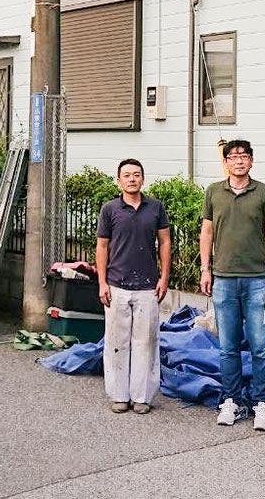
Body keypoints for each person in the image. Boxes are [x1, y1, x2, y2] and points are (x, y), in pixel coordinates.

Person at [199, 139, 265, 432]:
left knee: (261, 346)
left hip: (258, 280)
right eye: (233, 157)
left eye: (244, 156)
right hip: (222, 279)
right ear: (225, 162)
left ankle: (262, 405)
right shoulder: (213, 192)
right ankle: (231, 400)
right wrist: (205, 269)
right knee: (228, 347)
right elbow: (206, 232)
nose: (239, 161)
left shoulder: (263, 192)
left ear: (251, 161)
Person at [96, 158, 171, 414]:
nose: (131, 179)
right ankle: (119, 395)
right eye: (126, 175)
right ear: (119, 181)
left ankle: (142, 397)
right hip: (116, 284)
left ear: (143, 179)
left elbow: (164, 243)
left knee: (146, 342)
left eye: (136, 175)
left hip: (148, 285)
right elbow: (102, 246)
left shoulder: (156, 208)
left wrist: (164, 278)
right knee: (117, 342)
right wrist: (102, 282)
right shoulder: (109, 210)